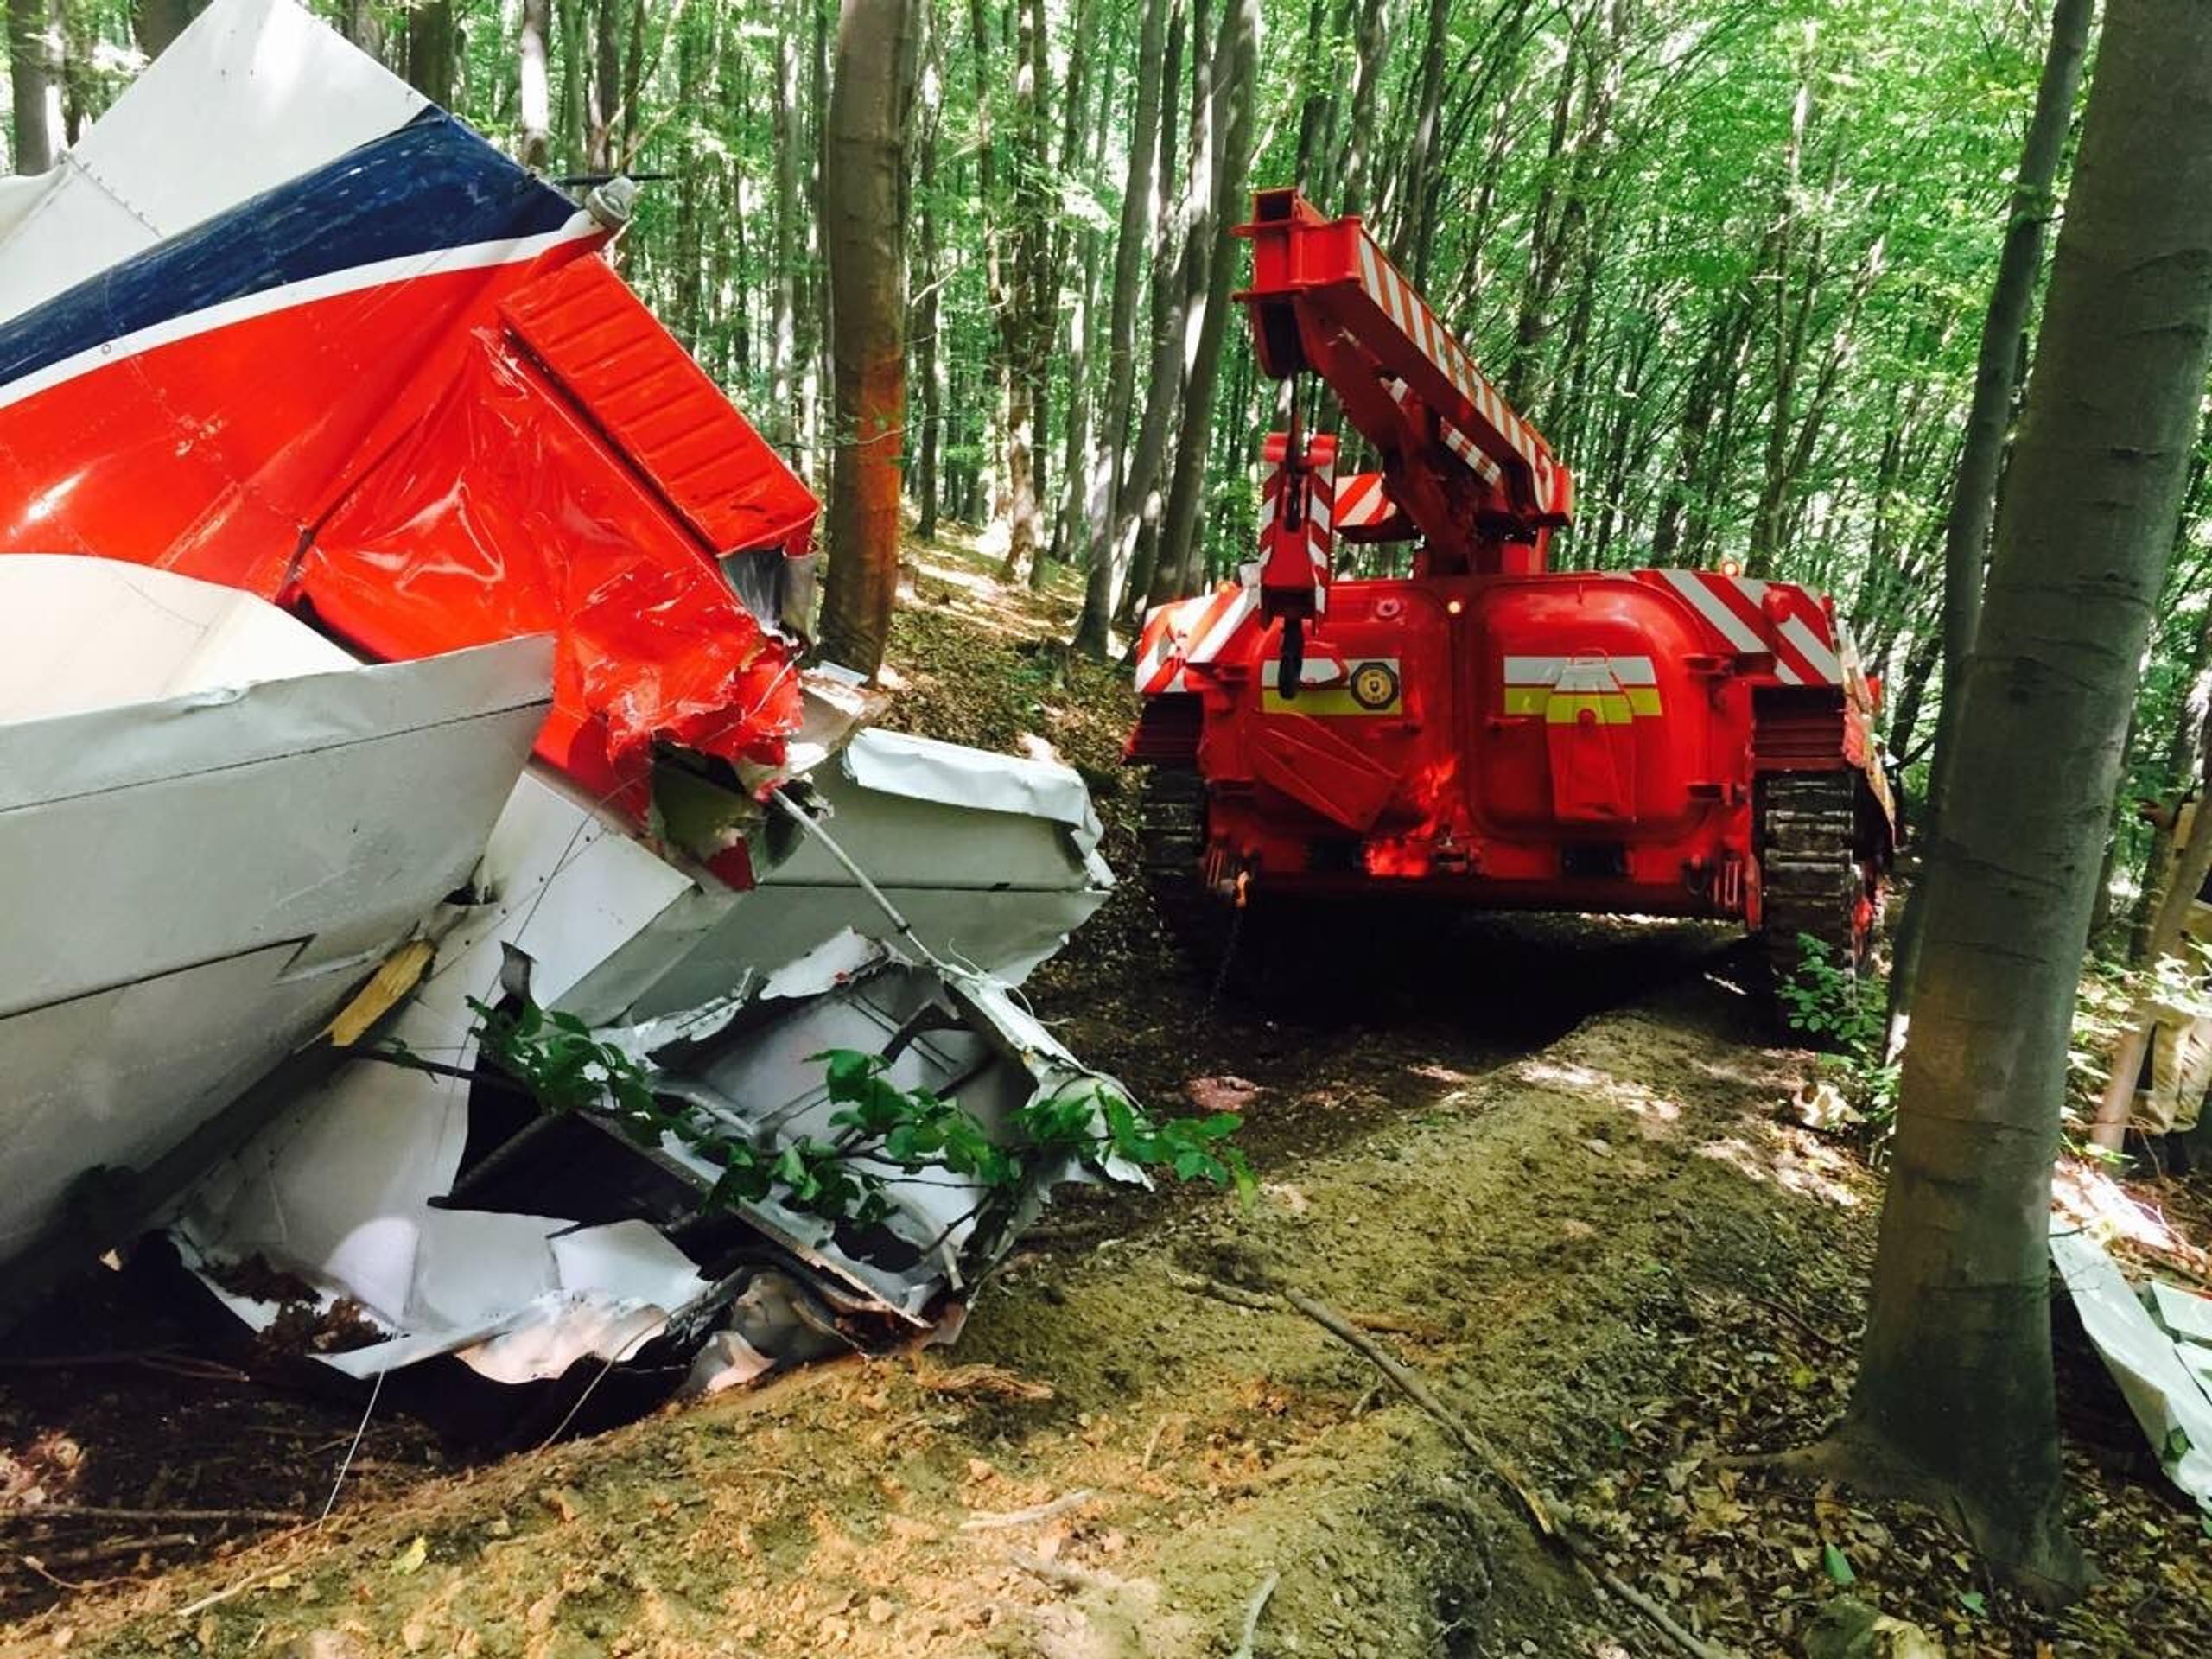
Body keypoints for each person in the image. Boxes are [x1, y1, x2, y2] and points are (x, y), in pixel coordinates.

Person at [2132, 788, 2212, 1173]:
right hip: (2195, 908)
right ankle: (2178, 1136)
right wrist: (2171, 821)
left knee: (2169, 1020)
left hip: (2194, 913)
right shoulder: (2196, 795)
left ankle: (2150, 1136)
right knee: (2202, 1030)